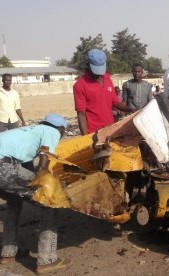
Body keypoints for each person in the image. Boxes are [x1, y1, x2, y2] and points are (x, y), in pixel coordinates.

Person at [0, 114, 71, 274]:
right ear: (62, 130)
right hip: (3, 167)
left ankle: (8, 252)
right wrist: (48, 187)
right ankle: (47, 260)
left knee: (14, 201)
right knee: (49, 202)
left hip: (3, 166)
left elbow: (26, 169)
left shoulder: (28, 131)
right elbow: (44, 160)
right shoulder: (52, 132)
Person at [73, 49, 134, 135]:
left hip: (110, 129)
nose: (98, 74)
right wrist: (86, 138)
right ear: (88, 65)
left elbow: (115, 102)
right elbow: (81, 114)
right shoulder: (80, 86)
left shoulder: (108, 79)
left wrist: (130, 109)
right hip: (93, 133)